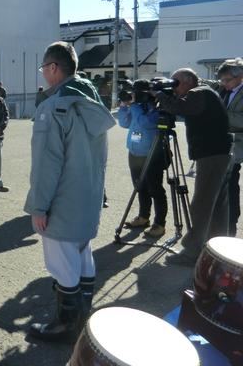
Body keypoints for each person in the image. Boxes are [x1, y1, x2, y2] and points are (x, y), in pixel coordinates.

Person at [25, 41, 115, 342]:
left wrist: (38, 207)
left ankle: (66, 325)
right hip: (87, 197)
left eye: (43, 68)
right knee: (82, 256)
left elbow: (46, 165)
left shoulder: (53, 107)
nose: (43, 74)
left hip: (62, 202)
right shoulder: (91, 100)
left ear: (53, 68)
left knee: (62, 264)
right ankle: (82, 318)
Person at [155, 68, 233, 266]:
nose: (173, 86)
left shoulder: (199, 93)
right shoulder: (205, 93)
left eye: (176, 82)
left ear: (189, 81)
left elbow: (180, 108)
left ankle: (192, 252)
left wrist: (159, 95)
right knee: (217, 206)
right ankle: (217, 250)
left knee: (201, 204)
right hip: (220, 153)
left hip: (212, 156)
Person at [117, 80, 168, 238]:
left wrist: (134, 106)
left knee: (155, 189)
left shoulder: (157, 108)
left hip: (152, 154)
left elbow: (144, 123)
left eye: (137, 93)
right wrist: (124, 106)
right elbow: (125, 123)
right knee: (140, 187)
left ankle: (159, 224)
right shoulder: (136, 107)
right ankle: (143, 217)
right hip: (134, 152)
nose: (134, 96)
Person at [216, 58, 243, 235]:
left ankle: (230, 228)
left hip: (236, 148)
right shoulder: (224, 90)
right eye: (222, 80)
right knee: (218, 189)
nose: (224, 83)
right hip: (219, 146)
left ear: (240, 76)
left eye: (227, 80)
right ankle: (219, 226)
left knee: (230, 188)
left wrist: (221, 114)